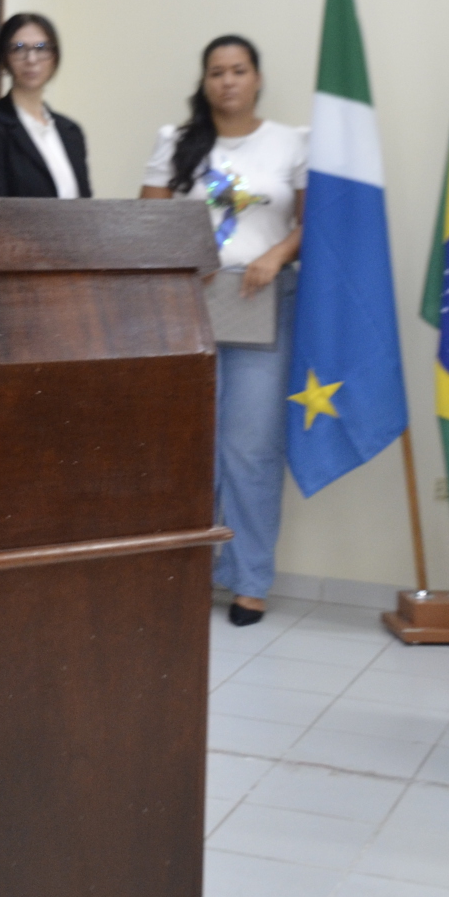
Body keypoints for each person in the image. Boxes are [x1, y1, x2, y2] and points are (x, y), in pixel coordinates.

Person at [138, 36, 305, 626]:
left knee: (250, 447)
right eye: (216, 72)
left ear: (257, 78)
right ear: (204, 80)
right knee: (189, 448)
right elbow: (147, 220)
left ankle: (250, 581)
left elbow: (310, 224)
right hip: (190, 304)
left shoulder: (291, 142)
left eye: (238, 71)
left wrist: (277, 255)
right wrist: (190, 253)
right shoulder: (178, 143)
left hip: (263, 303)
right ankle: (185, 573)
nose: (227, 81)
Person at [0, 14, 90, 199]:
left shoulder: (70, 131)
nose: (32, 59)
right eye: (18, 48)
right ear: (4, 58)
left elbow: (86, 208)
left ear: (54, 57)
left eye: (42, 48)